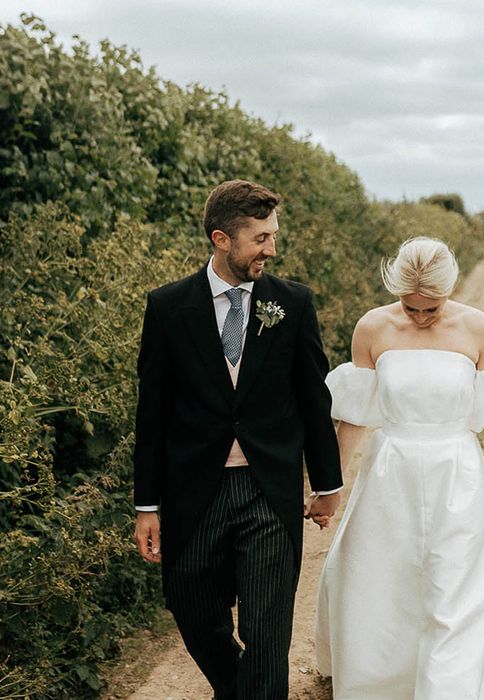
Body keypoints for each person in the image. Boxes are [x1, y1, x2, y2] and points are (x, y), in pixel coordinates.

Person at [133, 180, 343, 699]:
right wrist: (146, 504)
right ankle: (238, 689)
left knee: (268, 634)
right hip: (193, 491)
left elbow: (313, 399)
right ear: (221, 239)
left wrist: (327, 483)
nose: (272, 249)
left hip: (268, 489)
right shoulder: (168, 308)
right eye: (261, 238)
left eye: (274, 236)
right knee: (192, 609)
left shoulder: (292, 304)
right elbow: (152, 413)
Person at [315, 236, 484, 699]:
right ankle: (380, 685)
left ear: (449, 290)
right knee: (380, 582)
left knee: (457, 590)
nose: (420, 316)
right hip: (389, 473)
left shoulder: (478, 329)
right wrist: (330, 488)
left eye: (431, 307)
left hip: (456, 473)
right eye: (410, 307)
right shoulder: (372, 329)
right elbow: (356, 417)